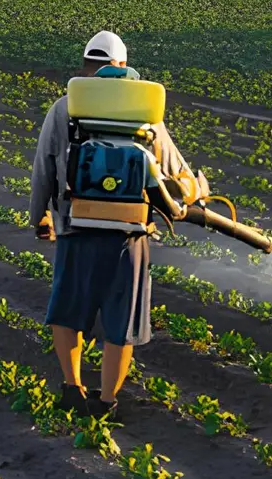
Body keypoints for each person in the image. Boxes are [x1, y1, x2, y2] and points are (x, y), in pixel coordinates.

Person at [29, 31, 195, 419]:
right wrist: (189, 195)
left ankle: (72, 388)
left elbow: (43, 168)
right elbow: (174, 169)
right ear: (124, 66)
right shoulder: (145, 109)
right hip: (129, 235)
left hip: (76, 227)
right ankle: (105, 401)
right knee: (122, 322)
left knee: (68, 311)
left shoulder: (65, 106)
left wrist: (38, 215)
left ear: (87, 64)